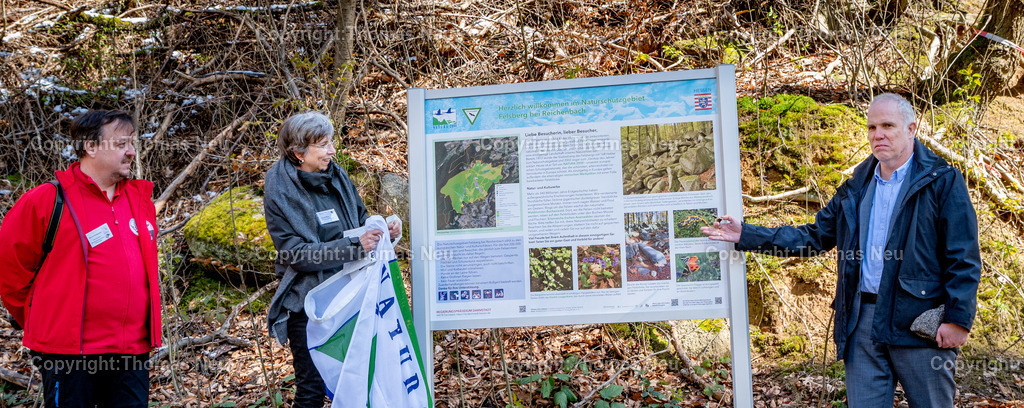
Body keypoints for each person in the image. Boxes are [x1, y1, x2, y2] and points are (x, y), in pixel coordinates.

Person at [703, 93, 980, 407]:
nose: (878, 134)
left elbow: (963, 256)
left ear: (911, 129)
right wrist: (747, 234)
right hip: (861, 321)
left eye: (888, 125)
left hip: (918, 320)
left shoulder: (942, 181)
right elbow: (813, 237)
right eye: (872, 127)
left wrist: (958, 319)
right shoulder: (856, 187)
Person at [0, 110, 162, 407]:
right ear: (90, 146)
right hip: (69, 355)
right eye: (121, 143)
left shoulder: (139, 202)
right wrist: (42, 318)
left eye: (132, 143)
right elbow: (7, 268)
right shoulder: (47, 200)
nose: (131, 151)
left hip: (131, 352)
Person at [263, 111, 400, 408]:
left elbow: (360, 219)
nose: (332, 150)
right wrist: (354, 246)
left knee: (360, 382)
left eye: (331, 142)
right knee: (311, 390)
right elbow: (295, 254)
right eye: (324, 145)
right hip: (309, 303)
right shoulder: (279, 188)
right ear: (299, 153)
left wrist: (381, 229)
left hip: (352, 295)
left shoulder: (336, 175)